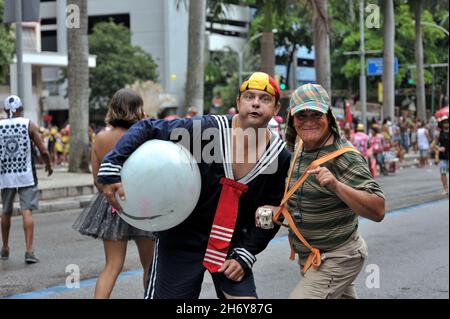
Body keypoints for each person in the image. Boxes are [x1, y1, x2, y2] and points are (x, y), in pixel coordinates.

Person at [98, 72, 291, 299]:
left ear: (276, 108)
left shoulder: (279, 157)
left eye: (265, 98)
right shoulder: (206, 131)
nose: (256, 103)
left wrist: (247, 252)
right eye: (249, 96)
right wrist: (112, 163)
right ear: (238, 102)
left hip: (231, 246)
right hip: (182, 239)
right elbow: (149, 127)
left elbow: (272, 211)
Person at [257, 84, 385, 299]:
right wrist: (279, 209)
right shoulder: (299, 146)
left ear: (329, 116)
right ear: (292, 119)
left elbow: (378, 209)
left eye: (316, 114)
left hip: (338, 256)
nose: (308, 122)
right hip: (311, 256)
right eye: (301, 115)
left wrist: (336, 185)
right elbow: (299, 192)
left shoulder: (345, 157)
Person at [72, 89, 155, 299]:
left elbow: (97, 179)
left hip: (112, 204)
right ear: (139, 109)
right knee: (151, 267)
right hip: (143, 205)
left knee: (112, 266)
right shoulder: (146, 135)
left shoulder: (100, 138)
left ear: (113, 108)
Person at [0, 95, 53, 263]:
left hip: (5, 176)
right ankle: (29, 251)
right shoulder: (28, 124)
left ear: (6, 110)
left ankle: (5, 248)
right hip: (26, 175)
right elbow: (43, 150)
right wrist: (48, 165)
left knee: (5, 212)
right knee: (26, 211)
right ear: (20, 109)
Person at [434, 116, 449, 195]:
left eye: (447, 122)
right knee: (443, 173)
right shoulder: (439, 134)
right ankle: (446, 189)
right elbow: (434, 145)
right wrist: (439, 148)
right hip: (443, 156)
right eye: (444, 122)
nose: (446, 124)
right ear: (442, 124)